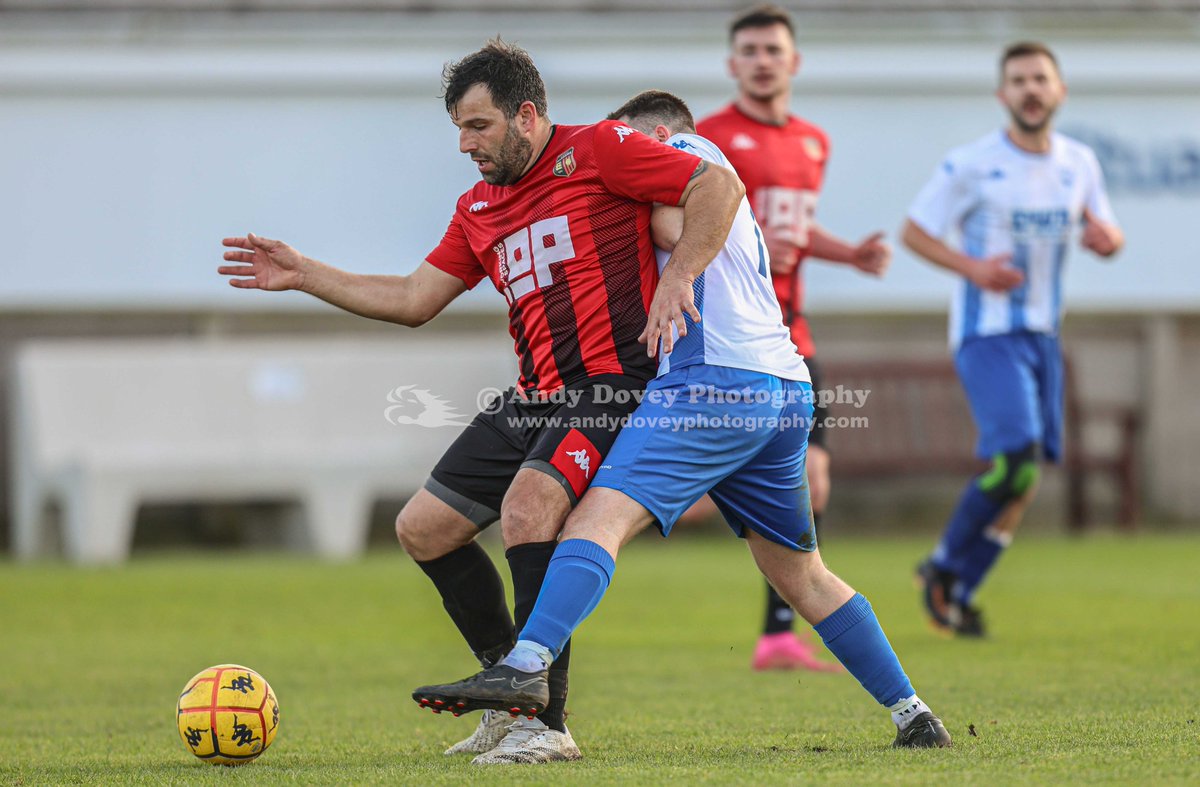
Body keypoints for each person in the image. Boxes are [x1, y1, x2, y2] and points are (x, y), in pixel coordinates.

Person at [218, 40, 744, 764]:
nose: (465, 145)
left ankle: (546, 724)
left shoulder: (601, 149)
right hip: (535, 395)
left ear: (526, 115)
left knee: (530, 506)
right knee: (423, 528)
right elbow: (411, 299)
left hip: (612, 384)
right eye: (459, 130)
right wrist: (306, 273)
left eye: (478, 126)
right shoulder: (477, 207)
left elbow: (716, 187)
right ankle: (510, 693)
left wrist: (680, 274)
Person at [412, 90, 952, 751]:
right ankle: (914, 713)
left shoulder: (676, 156)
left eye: (629, 146)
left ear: (659, 133)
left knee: (594, 520)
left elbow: (668, 222)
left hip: (710, 382)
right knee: (799, 571)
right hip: (782, 382)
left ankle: (526, 668)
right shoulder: (724, 177)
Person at [695, 4, 891, 672]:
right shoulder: (710, 137)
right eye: (749, 50)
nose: (762, 59)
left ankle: (779, 633)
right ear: (732, 64)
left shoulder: (813, 142)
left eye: (773, 49)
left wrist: (850, 254)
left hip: (791, 336)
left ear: (793, 61)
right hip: (729, 340)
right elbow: (678, 222)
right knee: (718, 492)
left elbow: (793, 233)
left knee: (818, 478)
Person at [904, 41, 1124, 637]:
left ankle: (963, 592)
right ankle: (943, 566)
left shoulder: (1079, 162)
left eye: (1040, 79)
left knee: (1025, 480)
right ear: (1004, 95)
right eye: (1019, 80)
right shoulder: (971, 163)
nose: (1031, 89)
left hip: (1043, 336)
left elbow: (1105, 230)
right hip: (987, 333)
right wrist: (972, 269)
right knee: (1019, 461)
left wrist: (1109, 241)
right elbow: (915, 232)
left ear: (1060, 91)